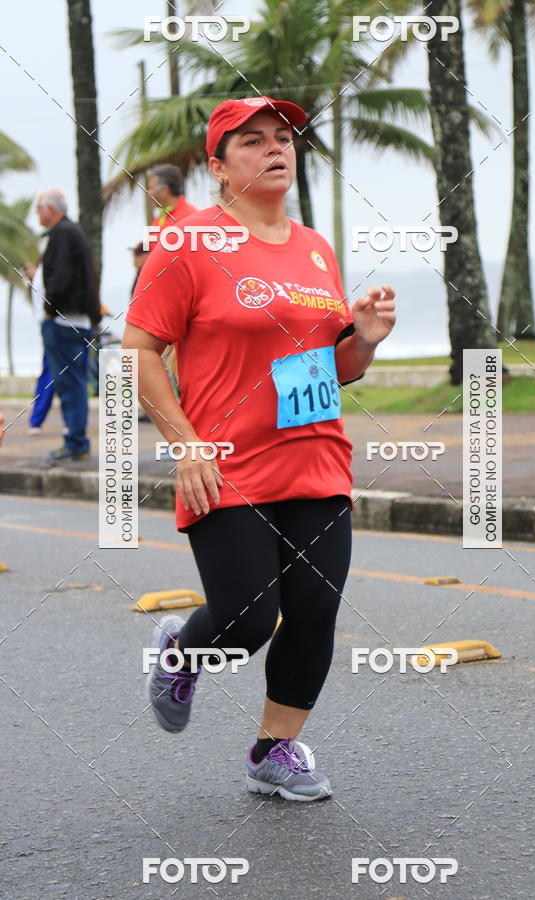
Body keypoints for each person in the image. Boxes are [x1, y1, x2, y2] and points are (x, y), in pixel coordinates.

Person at [122, 96, 396, 801]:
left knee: (313, 612)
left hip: (316, 457)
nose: (275, 148)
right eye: (252, 140)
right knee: (247, 622)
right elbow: (138, 350)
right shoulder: (188, 242)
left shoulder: (315, 248)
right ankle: (181, 651)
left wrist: (364, 339)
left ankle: (275, 750)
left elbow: (329, 366)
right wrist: (186, 444)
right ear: (217, 167)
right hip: (225, 461)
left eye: (282, 137)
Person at [36, 190, 99, 464]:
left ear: (50, 209)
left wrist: (49, 310)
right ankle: (76, 441)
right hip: (74, 320)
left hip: (64, 322)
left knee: (69, 384)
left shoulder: (62, 232)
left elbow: (60, 277)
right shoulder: (70, 231)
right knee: (74, 383)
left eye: (39, 208)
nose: (38, 213)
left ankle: (76, 442)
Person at [23, 256, 56, 435]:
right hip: (56, 328)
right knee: (52, 376)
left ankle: (36, 420)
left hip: (51, 328)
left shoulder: (40, 276)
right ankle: (36, 420)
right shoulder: (46, 274)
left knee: (50, 375)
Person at [146, 164, 199, 238]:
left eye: (151, 188)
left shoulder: (189, 217)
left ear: (164, 190)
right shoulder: (162, 216)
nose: (149, 193)